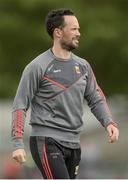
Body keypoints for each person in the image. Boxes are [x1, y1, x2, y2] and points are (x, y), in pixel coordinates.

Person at [11, 8, 119, 179]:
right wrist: (17, 143)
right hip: (47, 141)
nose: (79, 33)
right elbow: (20, 105)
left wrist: (109, 122)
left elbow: (96, 98)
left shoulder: (83, 66)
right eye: (74, 29)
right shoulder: (37, 66)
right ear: (58, 32)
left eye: (79, 29)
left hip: (74, 143)